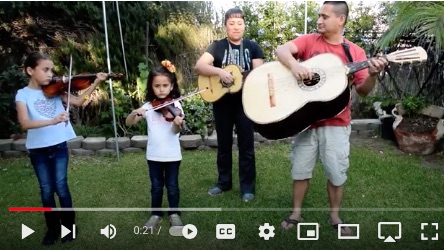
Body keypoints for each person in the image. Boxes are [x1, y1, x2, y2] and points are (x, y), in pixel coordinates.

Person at [274, 1, 388, 235]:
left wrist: (374, 76)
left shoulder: (354, 53)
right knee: (300, 170)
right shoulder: (309, 41)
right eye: (319, 16)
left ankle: (334, 215)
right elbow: (281, 51)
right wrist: (295, 67)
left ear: (341, 20)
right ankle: (296, 212)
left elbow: (363, 91)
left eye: (325, 16)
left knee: (336, 173)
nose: (319, 21)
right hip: (305, 121)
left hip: (337, 124)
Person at [15, 51, 107, 245]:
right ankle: (52, 229)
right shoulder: (22, 95)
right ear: (30, 70)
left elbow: (79, 101)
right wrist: (53, 120)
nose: (51, 74)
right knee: (46, 190)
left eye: (52, 70)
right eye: (45, 70)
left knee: (61, 188)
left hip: (58, 146)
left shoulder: (55, 90)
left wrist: (96, 82)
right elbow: (24, 123)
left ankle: (69, 228)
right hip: (38, 149)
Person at [194, 8, 265, 202]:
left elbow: (258, 75)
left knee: (246, 145)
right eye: (231, 23)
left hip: (245, 103)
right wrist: (220, 73)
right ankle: (223, 183)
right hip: (222, 103)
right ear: (225, 25)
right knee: (223, 145)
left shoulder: (252, 46)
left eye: (239, 23)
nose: (236, 27)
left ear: (244, 25)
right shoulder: (217, 46)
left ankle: (247, 188)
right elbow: (200, 66)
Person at [126, 60, 185, 229]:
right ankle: (155, 214)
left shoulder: (176, 106)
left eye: (165, 85)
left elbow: (175, 131)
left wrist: (177, 122)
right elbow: (129, 122)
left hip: (172, 155)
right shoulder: (148, 107)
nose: (161, 89)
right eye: (157, 86)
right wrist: (134, 113)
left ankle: (174, 213)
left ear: (172, 86)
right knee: (156, 187)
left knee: (172, 186)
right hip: (153, 156)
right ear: (151, 87)